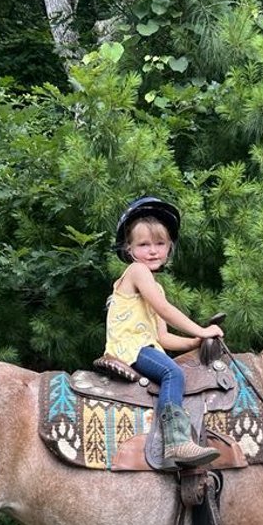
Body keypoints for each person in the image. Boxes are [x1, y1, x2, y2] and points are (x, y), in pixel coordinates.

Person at [106, 196, 223, 468]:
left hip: (145, 346)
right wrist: (202, 330)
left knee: (172, 367)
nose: (153, 251)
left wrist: (195, 340)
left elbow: (162, 337)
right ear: (130, 249)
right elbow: (166, 309)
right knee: (173, 372)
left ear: (169, 247)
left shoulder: (154, 285)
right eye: (144, 244)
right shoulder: (136, 272)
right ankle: (176, 442)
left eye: (160, 244)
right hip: (129, 348)